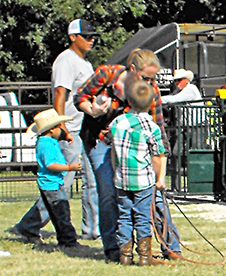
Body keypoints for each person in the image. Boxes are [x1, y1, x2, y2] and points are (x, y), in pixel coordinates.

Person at [8, 17, 100, 244]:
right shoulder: (66, 60)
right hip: (69, 129)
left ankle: (91, 230)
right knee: (61, 184)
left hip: (83, 128)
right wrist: (61, 126)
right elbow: (60, 93)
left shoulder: (84, 64)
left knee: (91, 181)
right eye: (86, 36)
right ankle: (29, 225)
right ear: (72, 37)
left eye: (93, 37)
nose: (91, 40)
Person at [75, 49, 166, 262]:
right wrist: (93, 109)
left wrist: (161, 164)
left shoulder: (150, 91)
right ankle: (114, 250)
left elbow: (158, 128)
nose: (151, 83)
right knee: (107, 192)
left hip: (131, 145)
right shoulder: (107, 74)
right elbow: (79, 96)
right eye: (146, 77)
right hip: (100, 140)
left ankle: (162, 248)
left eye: (153, 79)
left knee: (147, 193)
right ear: (133, 69)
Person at [108, 79, 166, 265]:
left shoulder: (117, 123)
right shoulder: (151, 127)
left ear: (129, 101)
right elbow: (157, 156)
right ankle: (144, 256)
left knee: (124, 215)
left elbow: (112, 151)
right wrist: (160, 178)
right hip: (143, 180)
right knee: (142, 216)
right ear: (151, 103)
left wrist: (115, 170)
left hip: (121, 179)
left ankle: (125, 255)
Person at [27, 107, 81, 249]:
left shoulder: (46, 142)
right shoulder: (46, 144)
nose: (61, 130)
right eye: (59, 127)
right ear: (51, 129)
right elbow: (50, 164)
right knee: (62, 213)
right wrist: (70, 168)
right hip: (52, 184)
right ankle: (68, 241)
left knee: (58, 213)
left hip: (51, 183)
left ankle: (65, 239)